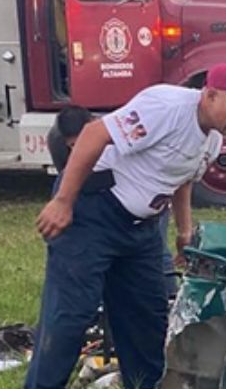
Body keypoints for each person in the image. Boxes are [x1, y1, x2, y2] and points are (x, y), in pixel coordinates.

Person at [23, 63, 226, 389]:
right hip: (94, 208)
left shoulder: (213, 137)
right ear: (210, 94)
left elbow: (182, 179)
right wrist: (63, 202)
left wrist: (184, 232)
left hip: (140, 228)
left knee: (147, 313)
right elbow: (94, 135)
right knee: (71, 313)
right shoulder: (166, 106)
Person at [47, 106, 177, 297]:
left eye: (79, 143)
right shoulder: (56, 141)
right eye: (72, 146)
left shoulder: (121, 131)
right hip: (103, 198)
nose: (76, 150)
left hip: (144, 192)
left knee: (156, 245)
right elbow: (70, 180)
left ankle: (167, 294)